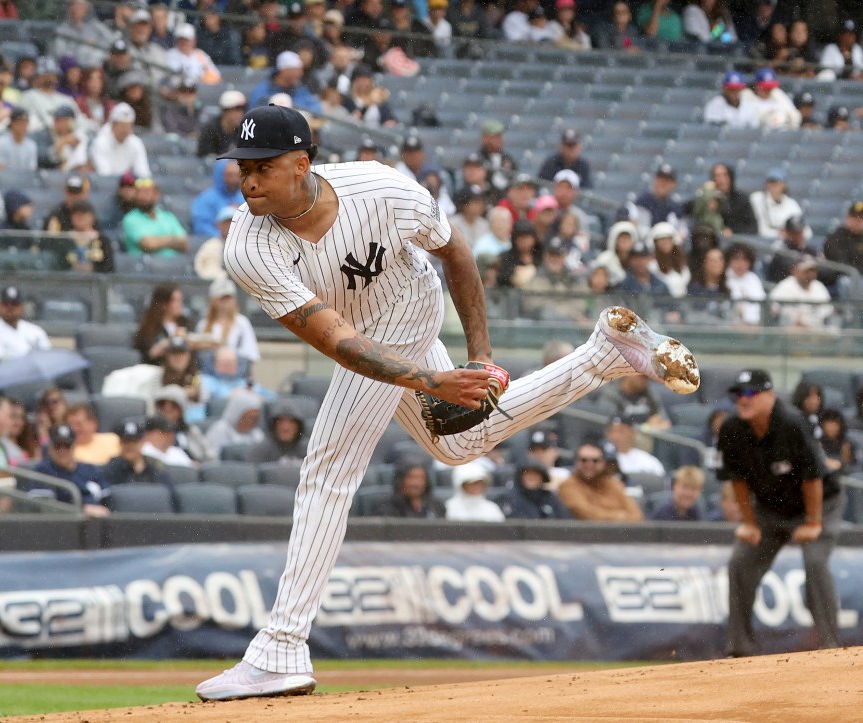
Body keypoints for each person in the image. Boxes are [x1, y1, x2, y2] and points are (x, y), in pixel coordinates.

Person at [195, 103, 699, 701]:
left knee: (329, 470)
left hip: (412, 306)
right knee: (460, 444)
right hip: (362, 338)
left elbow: (455, 252)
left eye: (262, 164)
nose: (246, 177)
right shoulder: (249, 246)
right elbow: (338, 342)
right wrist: (434, 384)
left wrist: (480, 358)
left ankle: (282, 647)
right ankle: (605, 354)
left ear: (302, 163)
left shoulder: (380, 187)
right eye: (241, 164)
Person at [718, 369, 844, 658]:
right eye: (739, 394)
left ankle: (829, 647)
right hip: (771, 507)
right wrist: (748, 523)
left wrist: (813, 523)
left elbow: (812, 478)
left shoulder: (792, 423)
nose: (742, 399)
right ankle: (740, 647)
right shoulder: (732, 429)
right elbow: (736, 479)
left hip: (819, 504)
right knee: (740, 562)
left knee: (814, 560)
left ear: (770, 395)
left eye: (750, 393)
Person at [557, 441, 645, 522]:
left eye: (595, 461)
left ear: (603, 463)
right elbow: (587, 514)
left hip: (621, 534)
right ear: (576, 462)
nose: (589, 464)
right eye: (584, 460)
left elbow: (637, 515)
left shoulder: (613, 483)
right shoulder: (569, 485)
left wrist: (618, 518)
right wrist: (620, 516)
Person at [195, 277, 261, 375]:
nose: (226, 302)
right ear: (213, 300)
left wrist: (228, 356)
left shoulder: (242, 323)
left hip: (237, 375)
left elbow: (251, 354)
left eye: (228, 298)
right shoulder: (203, 325)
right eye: (221, 298)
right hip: (209, 375)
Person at [0, 285, 51, 366]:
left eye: (15, 304)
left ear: (22, 307)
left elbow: (47, 359)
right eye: (6, 304)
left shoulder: (35, 331)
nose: (10, 308)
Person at [121, 177, 189, 256]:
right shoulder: (130, 219)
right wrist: (173, 240)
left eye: (147, 192)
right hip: (146, 266)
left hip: (174, 264)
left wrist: (157, 241)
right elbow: (149, 245)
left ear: (156, 195)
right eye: (139, 192)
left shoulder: (168, 217)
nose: (142, 196)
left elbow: (184, 244)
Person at [768, 254, 834, 330]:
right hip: (792, 329)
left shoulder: (819, 286)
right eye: (806, 271)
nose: (810, 274)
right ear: (795, 270)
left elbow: (829, 311)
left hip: (816, 328)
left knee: (834, 331)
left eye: (812, 270)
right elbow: (772, 309)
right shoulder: (785, 286)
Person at [133, 283, 191, 366]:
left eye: (180, 300)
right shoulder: (149, 329)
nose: (180, 304)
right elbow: (144, 355)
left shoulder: (186, 323)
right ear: (164, 304)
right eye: (175, 300)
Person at [89, 103, 151, 178]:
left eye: (128, 126)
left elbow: (143, 172)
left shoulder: (136, 142)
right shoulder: (100, 143)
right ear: (112, 125)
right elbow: (105, 175)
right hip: (105, 186)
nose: (125, 130)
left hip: (127, 185)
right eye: (122, 126)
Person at [102, 420, 170, 486]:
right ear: (120, 443)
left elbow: (166, 491)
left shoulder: (154, 467)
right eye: (126, 442)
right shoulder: (112, 469)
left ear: (142, 443)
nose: (130, 446)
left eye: (134, 441)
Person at [373, 458, 444, 518]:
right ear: (400, 480)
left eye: (421, 478)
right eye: (411, 477)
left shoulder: (436, 506)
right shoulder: (385, 507)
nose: (416, 483)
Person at [246, 399, 310, 466]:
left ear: (299, 426)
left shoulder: (308, 450)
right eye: (281, 422)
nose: (285, 427)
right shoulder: (261, 450)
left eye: (291, 422)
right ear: (273, 425)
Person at [204, 388, 265, 457]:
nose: (252, 421)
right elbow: (212, 457)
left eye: (255, 418)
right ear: (238, 414)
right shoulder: (220, 430)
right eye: (249, 418)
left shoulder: (256, 434)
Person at [191, 160, 243, 238]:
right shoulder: (206, 199)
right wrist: (222, 238)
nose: (234, 179)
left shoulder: (245, 197)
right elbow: (201, 226)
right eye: (229, 175)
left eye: (237, 175)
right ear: (220, 175)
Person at [503, 463, 571, 519]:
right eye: (528, 473)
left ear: (542, 478)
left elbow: (564, 520)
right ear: (521, 477)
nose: (532, 477)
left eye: (536, 474)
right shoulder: (510, 498)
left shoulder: (550, 498)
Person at [197, 89, 247, 158]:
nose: (241, 113)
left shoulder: (243, 131)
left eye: (243, 108)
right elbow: (206, 159)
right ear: (225, 111)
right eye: (237, 109)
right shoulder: (210, 131)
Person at [0, 108, 38, 172]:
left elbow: (31, 170)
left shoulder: (31, 145)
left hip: (24, 180)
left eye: (25, 123)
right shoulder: (0, 143)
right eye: (19, 123)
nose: (22, 126)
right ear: (12, 123)